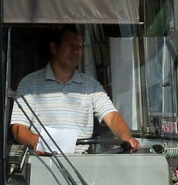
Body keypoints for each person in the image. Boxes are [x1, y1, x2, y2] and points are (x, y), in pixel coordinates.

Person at [11, 26, 139, 154]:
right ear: (54, 48)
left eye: (80, 46)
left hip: (81, 164)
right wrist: (37, 141)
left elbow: (112, 117)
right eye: (71, 45)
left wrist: (126, 136)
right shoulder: (30, 83)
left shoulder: (91, 86)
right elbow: (19, 128)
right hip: (43, 162)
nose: (76, 51)